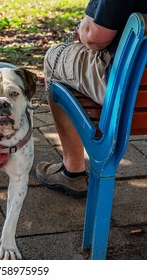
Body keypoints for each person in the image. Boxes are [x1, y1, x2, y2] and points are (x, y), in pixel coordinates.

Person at [36, 0, 147, 198]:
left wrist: (85, 28)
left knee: (54, 57)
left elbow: (96, 37)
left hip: (129, 88)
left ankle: (72, 171)